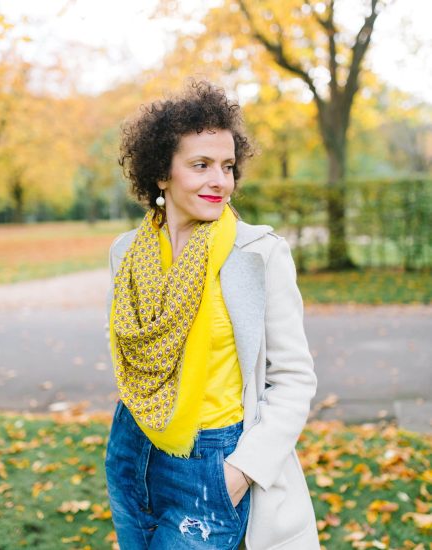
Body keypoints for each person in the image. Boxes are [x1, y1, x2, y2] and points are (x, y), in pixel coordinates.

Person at [105, 80, 320, 550]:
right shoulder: (126, 254)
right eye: (200, 165)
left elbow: (294, 378)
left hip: (213, 458)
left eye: (227, 166)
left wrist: (241, 471)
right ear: (162, 174)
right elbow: (137, 362)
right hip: (132, 447)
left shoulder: (257, 254)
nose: (220, 180)